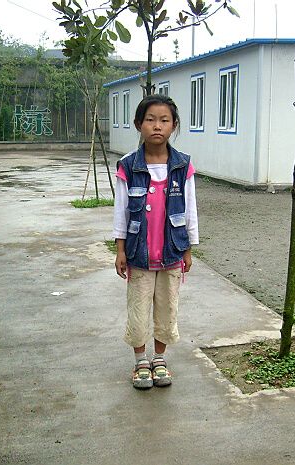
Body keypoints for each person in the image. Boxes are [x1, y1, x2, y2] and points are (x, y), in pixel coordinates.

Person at [112, 94, 199, 389]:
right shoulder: (128, 166)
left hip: (172, 253)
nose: (157, 126)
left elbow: (190, 210)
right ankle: (140, 361)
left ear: (174, 125)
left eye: (164, 120)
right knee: (138, 310)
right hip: (139, 255)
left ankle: (159, 359)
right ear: (139, 124)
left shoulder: (183, 166)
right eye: (150, 120)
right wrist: (120, 250)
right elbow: (121, 211)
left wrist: (188, 249)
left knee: (167, 308)